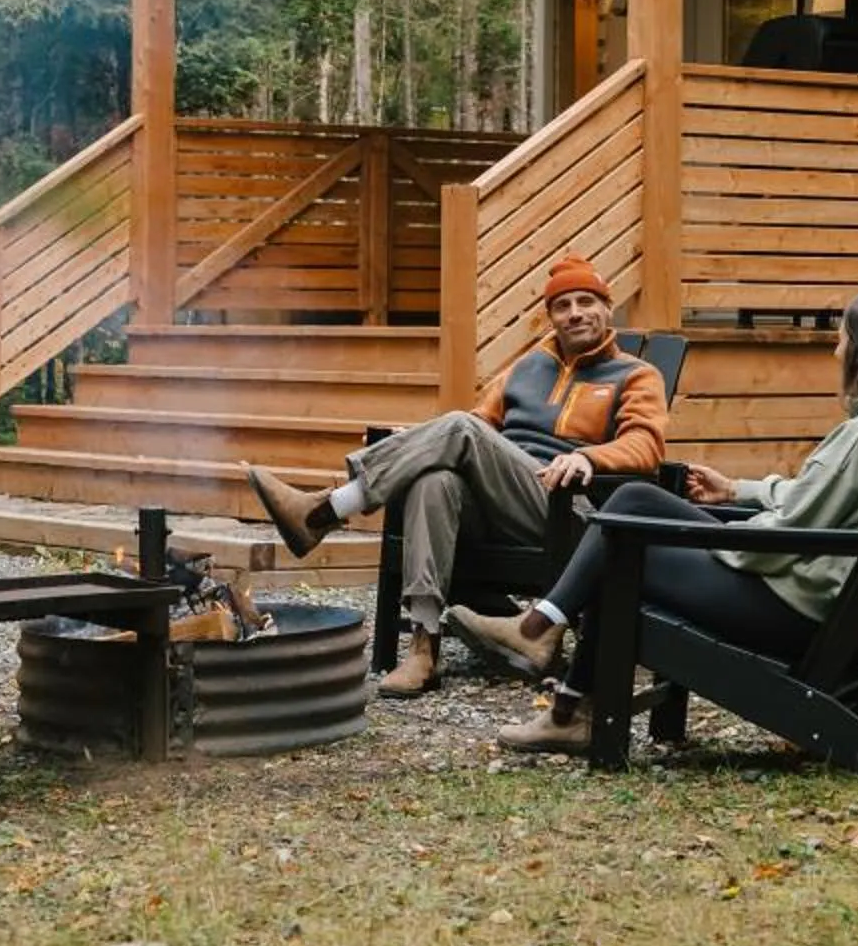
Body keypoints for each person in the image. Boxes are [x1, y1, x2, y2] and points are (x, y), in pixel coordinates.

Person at [450, 286, 858, 756]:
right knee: (635, 499)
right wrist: (736, 492)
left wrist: (716, 537)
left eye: (844, 338)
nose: (838, 351)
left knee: (620, 547)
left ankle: (555, 675)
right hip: (811, 592)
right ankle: (548, 645)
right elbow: (821, 501)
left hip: (786, 605)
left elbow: (791, 532)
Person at [243, 254, 667, 698]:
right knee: (434, 480)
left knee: (456, 428)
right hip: (500, 503)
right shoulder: (526, 369)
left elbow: (647, 445)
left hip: (566, 508)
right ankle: (423, 650)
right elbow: (480, 426)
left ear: (606, 306)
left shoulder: (636, 375)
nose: (575, 312)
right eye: (563, 305)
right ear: (551, 317)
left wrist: (592, 458)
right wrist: (422, 445)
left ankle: (325, 512)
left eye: (586, 301)